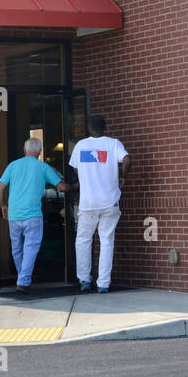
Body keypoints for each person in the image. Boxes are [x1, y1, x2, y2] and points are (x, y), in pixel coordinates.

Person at [0, 137, 72, 293]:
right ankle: (23, 281)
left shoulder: (13, 165)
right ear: (40, 151)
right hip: (33, 216)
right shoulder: (42, 167)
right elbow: (62, 187)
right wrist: (78, 186)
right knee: (30, 248)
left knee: (17, 249)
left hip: (14, 215)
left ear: (24, 150)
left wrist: (3, 206)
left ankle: (22, 278)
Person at [69, 114, 130, 293]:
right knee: (107, 241)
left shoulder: (81, 146)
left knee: (83, 240)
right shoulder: (113, 143)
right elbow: (127, 159)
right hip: (109, 202)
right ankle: (103, 284)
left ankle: (84, 280)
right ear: (105, 127)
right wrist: (123, 176)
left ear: (89, 128)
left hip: (88, 203)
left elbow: (75, 168)